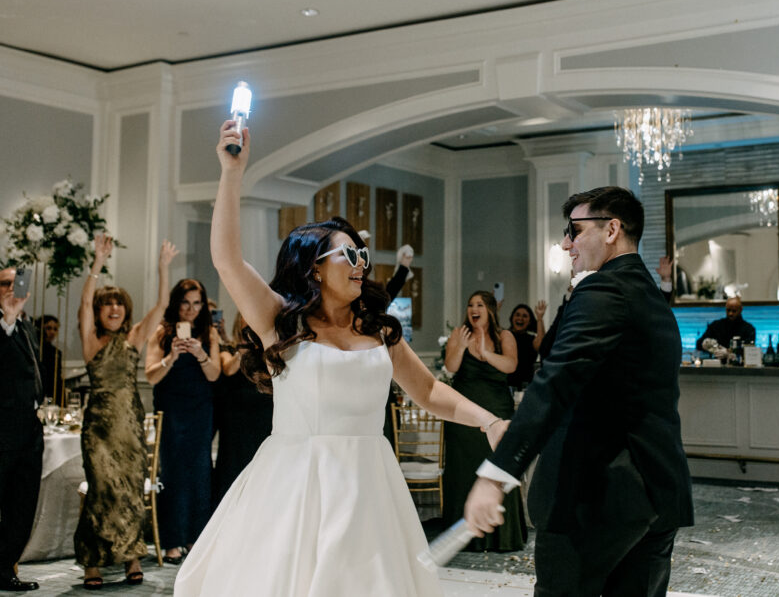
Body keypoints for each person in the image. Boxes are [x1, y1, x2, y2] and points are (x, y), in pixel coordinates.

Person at [173, 119, 507, 596]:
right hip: (294, 483)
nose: (361, 266)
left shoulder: (377, 329)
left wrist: (489, 421)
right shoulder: (279, 322)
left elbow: (430, 391)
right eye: (348, 257)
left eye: (362, 258)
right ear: (314, 266)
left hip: (369, 486)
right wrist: (232, 172)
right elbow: (226, 258)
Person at [464, 186, 693, 597]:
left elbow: (555, 381)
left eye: (574, 230)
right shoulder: (650, 295)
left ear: (611, 230)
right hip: (657, 489)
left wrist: (496, 474)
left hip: (597, 496)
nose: (567, 243)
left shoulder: (604, 291)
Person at [75, 235, 178, 589]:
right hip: (99, 432)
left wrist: (163, 268)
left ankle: (133, 556)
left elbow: (163, 303)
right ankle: (92, 563)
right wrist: (97, 264)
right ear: (100, 312)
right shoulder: (91, 342)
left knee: (132, 491)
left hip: (131, 428)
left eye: (119, 304)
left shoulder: (134, 338)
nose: (114, 309)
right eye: (108, 305)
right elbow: (86, 300)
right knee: (102, 492)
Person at [442, 291, 526, 552]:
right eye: (470, 305)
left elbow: (511, 365)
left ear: (490, 309)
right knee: (463, 470)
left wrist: (483, 353)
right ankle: (463, 536)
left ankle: (502, 536)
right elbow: (451, 367)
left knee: (497, 466)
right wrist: (461, 346)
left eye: (479, 305)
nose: (473, 309)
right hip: (463, 414)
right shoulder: (460, 333)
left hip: (497, 410)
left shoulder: (504, 337)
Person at [145, 279, 221, 564]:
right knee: (173, 473)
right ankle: (172, 541)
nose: (191, 309)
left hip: (200, 410)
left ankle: (195, 537)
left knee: (200, 472)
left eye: (197, 303)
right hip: (171, 409)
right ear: (178, 303)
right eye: (186, 302)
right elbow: (151, 376)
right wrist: (172, 356)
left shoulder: (208, 332)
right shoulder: (162, 333)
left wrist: (200, 353)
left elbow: (214, 375)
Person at [0, 267, 43, 592]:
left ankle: (4, 569)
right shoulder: (8, 324)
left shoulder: (27, 324)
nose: (12, 288)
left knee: (23, 504)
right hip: (2, 430)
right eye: (5, 283)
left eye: (17, 283)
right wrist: (7, 322)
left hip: (30, 429)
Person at [211, 313, 273, 506]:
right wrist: (243, 348)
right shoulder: (228, 348)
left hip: (263, 413)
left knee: (261, 463)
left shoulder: (268, 350)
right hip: (235, 417)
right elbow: (229, 369)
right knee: (232, 464)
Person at [506, 301, 547, 391]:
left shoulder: (531, 339)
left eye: (525, 316)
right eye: (517, 315)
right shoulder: (505, 336)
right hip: (506, 386)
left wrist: (539, 318)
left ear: (529, 321)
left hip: (526, 386)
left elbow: (542, 345)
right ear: (512, 318)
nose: (520, 318)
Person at [34, 315, 63, 402]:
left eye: (55, 329)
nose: (52, 332)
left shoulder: (57, 352)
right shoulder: (34, 350)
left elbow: (58, 379)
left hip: (54, 395)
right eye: (48, 328)